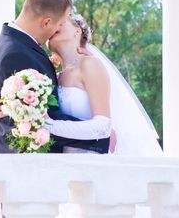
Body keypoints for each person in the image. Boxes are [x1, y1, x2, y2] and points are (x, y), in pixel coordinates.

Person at [0, 0, 111, 154]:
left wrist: (101, 131)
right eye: (60, 23)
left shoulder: (13, 46)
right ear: (46, 22)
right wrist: (100, 137)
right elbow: (32, 120)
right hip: (31, 164)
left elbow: (37, 115)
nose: (58, 28)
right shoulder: (16, 53)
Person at [47, 14, 163, 156]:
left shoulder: (90, 64)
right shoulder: (56, 77)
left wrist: (48, 126)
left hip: (93, 161)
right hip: (65, 162)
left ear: (77, 31)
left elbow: (103, 127)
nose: (54, 25)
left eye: (61, 22)